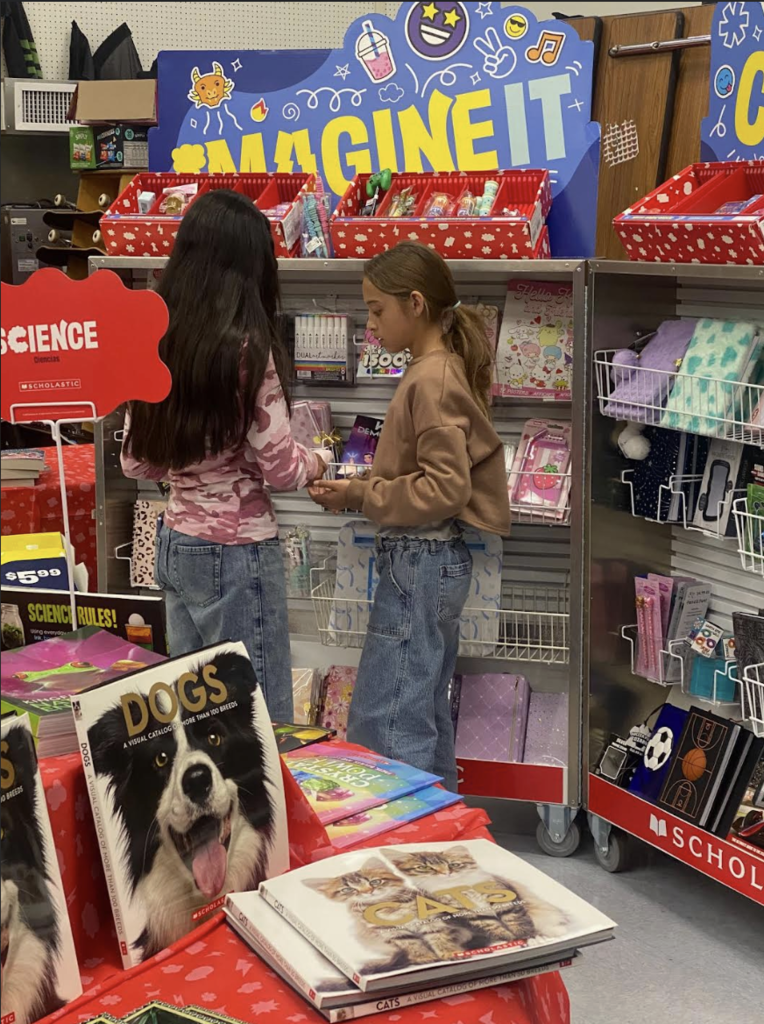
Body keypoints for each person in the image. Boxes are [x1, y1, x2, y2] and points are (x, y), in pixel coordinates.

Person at [310, 242, 510, 791]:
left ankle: (402, 843)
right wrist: (360, 489)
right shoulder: (435, 372)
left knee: (388, 717)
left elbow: (445, 487)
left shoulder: (431, 379)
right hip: (425, 560)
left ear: (415, 304)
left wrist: (360, 497)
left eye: (377, 310)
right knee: (418, 711)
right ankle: (439, 832)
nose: (371, 324)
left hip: (419, 559)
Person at [121, 189, 326, 722]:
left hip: (174, 541)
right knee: (258, 719)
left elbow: (136, 463)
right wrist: (320, 461)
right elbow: (281, 468)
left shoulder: (154, 340)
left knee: (196, 718)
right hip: (236, 552)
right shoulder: (246, 349)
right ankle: (264, 811)